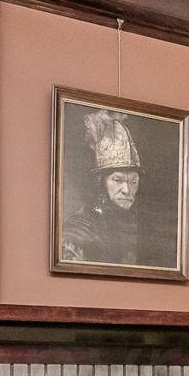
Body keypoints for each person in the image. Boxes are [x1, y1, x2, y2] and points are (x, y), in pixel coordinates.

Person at [60, 107, 144, 265]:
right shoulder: (77, 232)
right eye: (118, 180)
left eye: (133, 182)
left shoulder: (123, 226)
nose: (127, 190)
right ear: (100, 183)